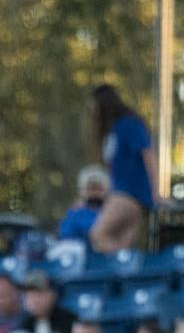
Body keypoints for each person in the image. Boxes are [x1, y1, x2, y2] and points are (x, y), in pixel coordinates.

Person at [88, 84, 154, 253]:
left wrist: (156, 192)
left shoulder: (128, 124)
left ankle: (121, 262)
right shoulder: (113, 130)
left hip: (130, 194)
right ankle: (123, 266)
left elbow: (148, 155)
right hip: (121, 193)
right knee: (124, 246)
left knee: (98, 234)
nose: (91, 108)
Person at [56, 165, 110, 242]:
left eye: (99, 189)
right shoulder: (76, 212)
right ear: (83, 190)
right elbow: (65, 235)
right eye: (91, 189)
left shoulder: (111, 211)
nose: (95, 193)